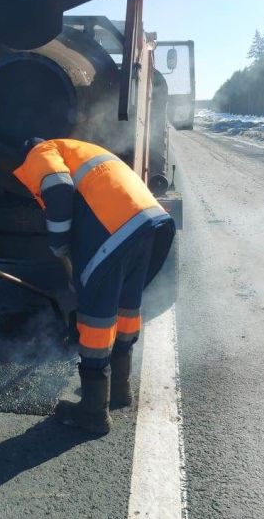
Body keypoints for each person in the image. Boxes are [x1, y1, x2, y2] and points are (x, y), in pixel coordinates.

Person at [13, 138, 175, 435]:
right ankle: (119, 390)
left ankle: (92, 412)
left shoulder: (40, 152)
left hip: (114, 230)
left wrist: (59, 244)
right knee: (126, 306)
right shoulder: (78, 149)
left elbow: (59, 189)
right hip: (148, 222)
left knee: (96, 318)